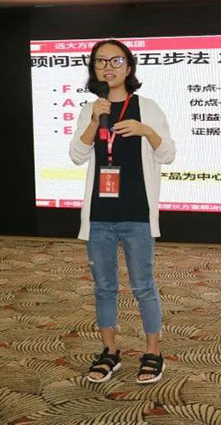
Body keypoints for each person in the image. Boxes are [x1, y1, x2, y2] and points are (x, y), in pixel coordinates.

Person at [69, 39, 176, 384]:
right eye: (101, 61)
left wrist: (146, 131)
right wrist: (93, 121)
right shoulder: (91, 109)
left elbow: (168, 154)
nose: (108, 67)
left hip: (137, 214)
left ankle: (153, 352)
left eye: (116, 61)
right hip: (99, 216)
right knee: (104, 287)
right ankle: (109, 351)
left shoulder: (147, 107)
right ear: (94, 68)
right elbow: (77, 156)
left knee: (143, 286)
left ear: (129, 68)